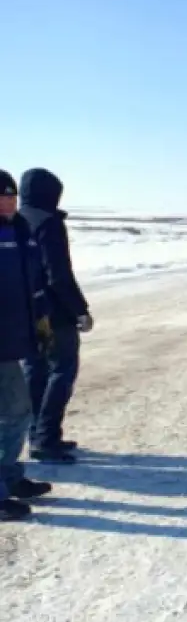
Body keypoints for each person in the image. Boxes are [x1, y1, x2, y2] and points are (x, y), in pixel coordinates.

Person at [18, 168, 93, 464]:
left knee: (35, 371)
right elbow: (58, 275)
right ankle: (46, 439)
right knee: (61, 370)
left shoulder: (15, 220)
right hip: (54, 313)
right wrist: (80, 310)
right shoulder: (48, 223)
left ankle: (38, 434)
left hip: (26, 312)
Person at [0, 169, 54, 522]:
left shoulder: (20, 230)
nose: (9, 201)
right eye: (3, 196)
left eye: (12, 195)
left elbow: (34, 282)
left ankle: (8, 477)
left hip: (10, 340)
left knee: (18, 412)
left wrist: (42, 322)